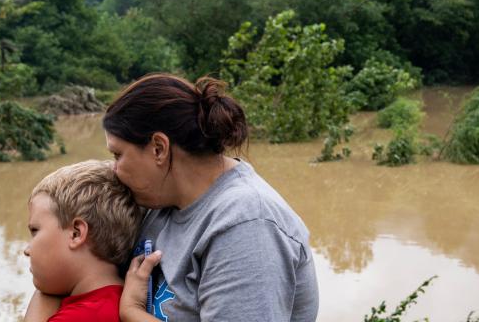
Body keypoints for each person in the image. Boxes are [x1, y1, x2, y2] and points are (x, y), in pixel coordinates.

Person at [105, 73, 319, 322]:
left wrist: (132, 311)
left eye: (117, 155)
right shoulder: (160, 199)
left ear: (159, 149)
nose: (114, 169)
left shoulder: (246, 225)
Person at [24, 160, 143, 321]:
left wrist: (44, 287)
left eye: (35, 231)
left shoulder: (84, 315)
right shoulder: (115, 298)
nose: (27, 250)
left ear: (76, 233)